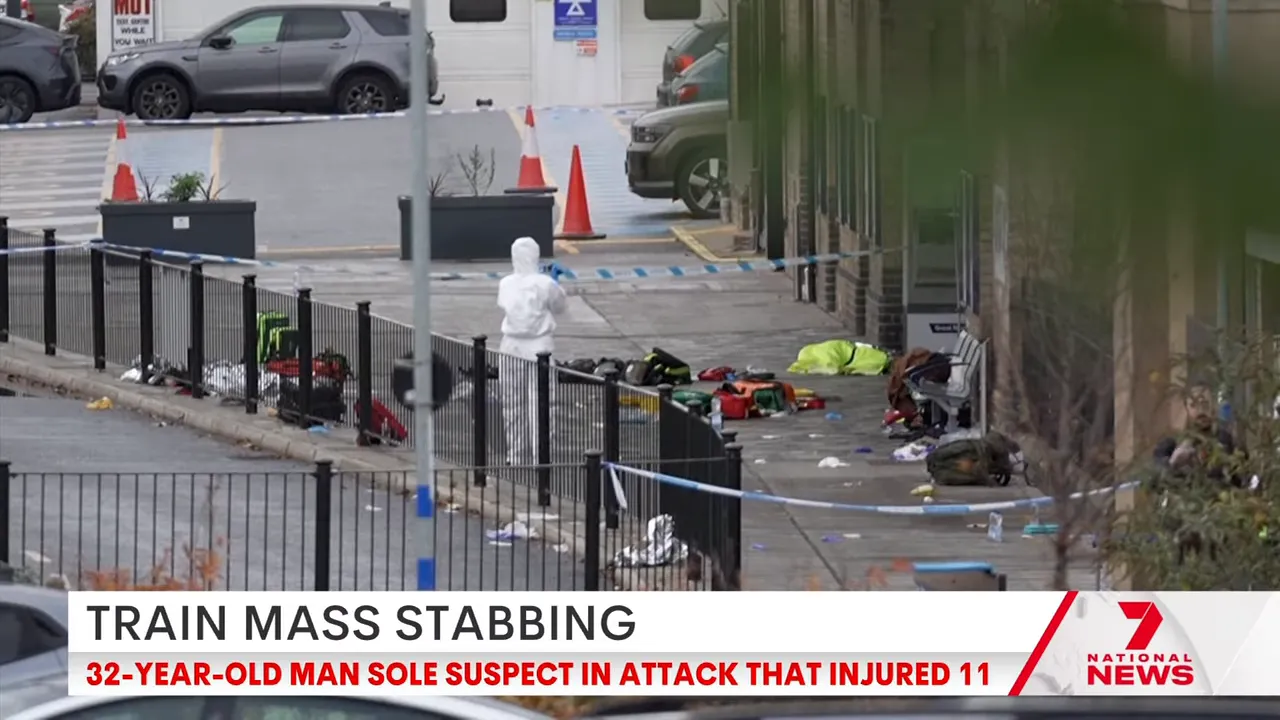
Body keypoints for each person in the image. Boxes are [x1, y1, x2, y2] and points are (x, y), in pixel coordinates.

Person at [497, 237, 567, 465]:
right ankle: (541, 455)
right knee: (542, 402)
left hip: (511, 344)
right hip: (539, 345)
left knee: (512, 401)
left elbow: (505, 305)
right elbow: (560, 307)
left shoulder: (505, 283)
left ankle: (515, 454)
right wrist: (554, 282)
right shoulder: (545, 284)